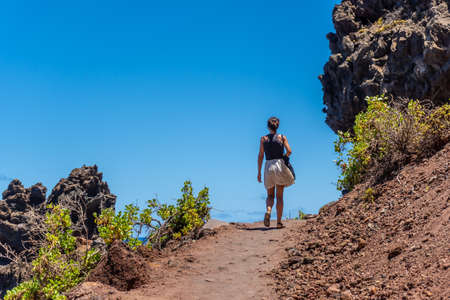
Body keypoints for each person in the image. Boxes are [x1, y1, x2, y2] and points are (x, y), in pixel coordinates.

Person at [257, 117, 295, 228]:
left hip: (268, 166)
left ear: (268, 126)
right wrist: (284, 157)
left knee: (270, 195)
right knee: (279, 197)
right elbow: (289, 151)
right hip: (279, 166)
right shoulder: (282, 137)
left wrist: (259, 172)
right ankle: (278, 222)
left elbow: (260, 156)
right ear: (277, 126)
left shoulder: (263, 139)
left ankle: (268, 211)